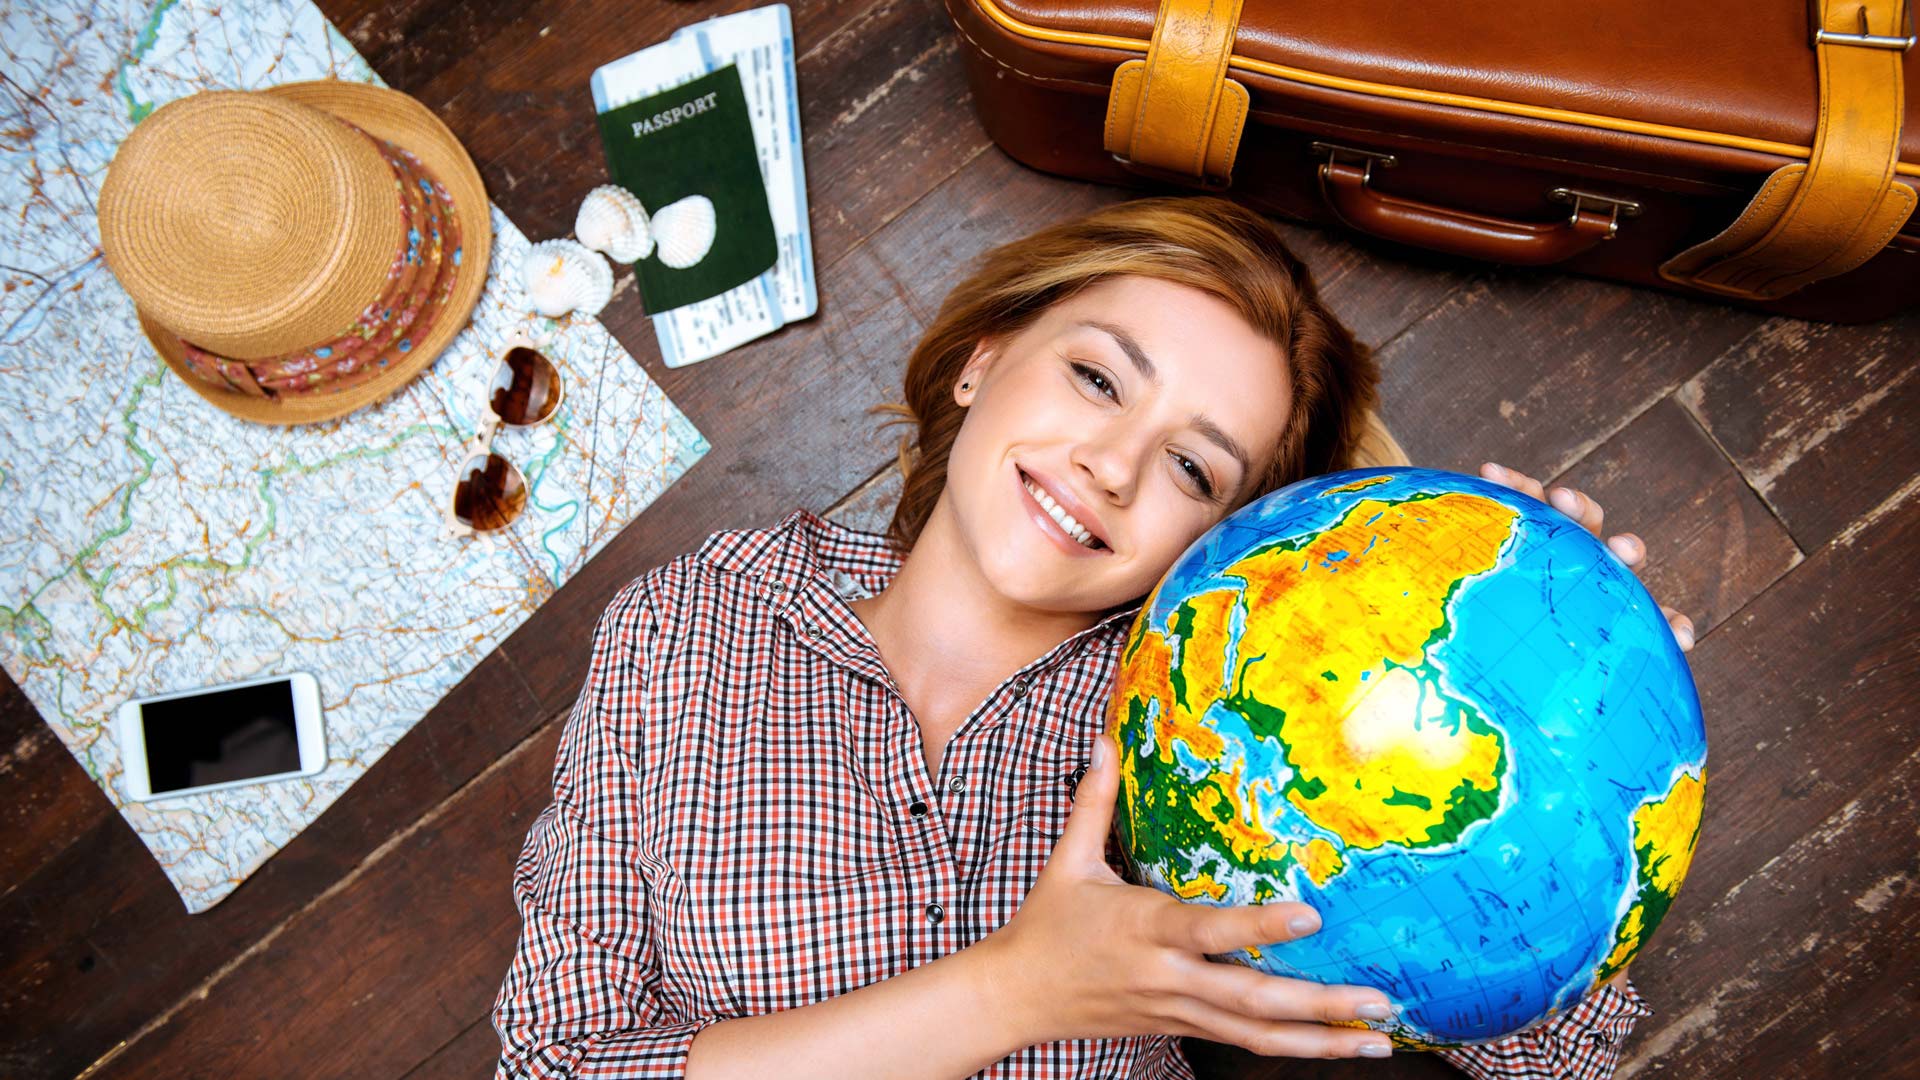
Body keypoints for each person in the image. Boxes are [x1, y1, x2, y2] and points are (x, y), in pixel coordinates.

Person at [491, 196, 1693, 1079]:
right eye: (1100, 379)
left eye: (1190, 465)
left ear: (1224, 541)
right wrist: (1019, 991)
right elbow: (551, 1061)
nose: (1112, 467)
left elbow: (1538, 1047)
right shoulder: (697, 625)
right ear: (985, 359)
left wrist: (1576, 734)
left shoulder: (1228, 729)